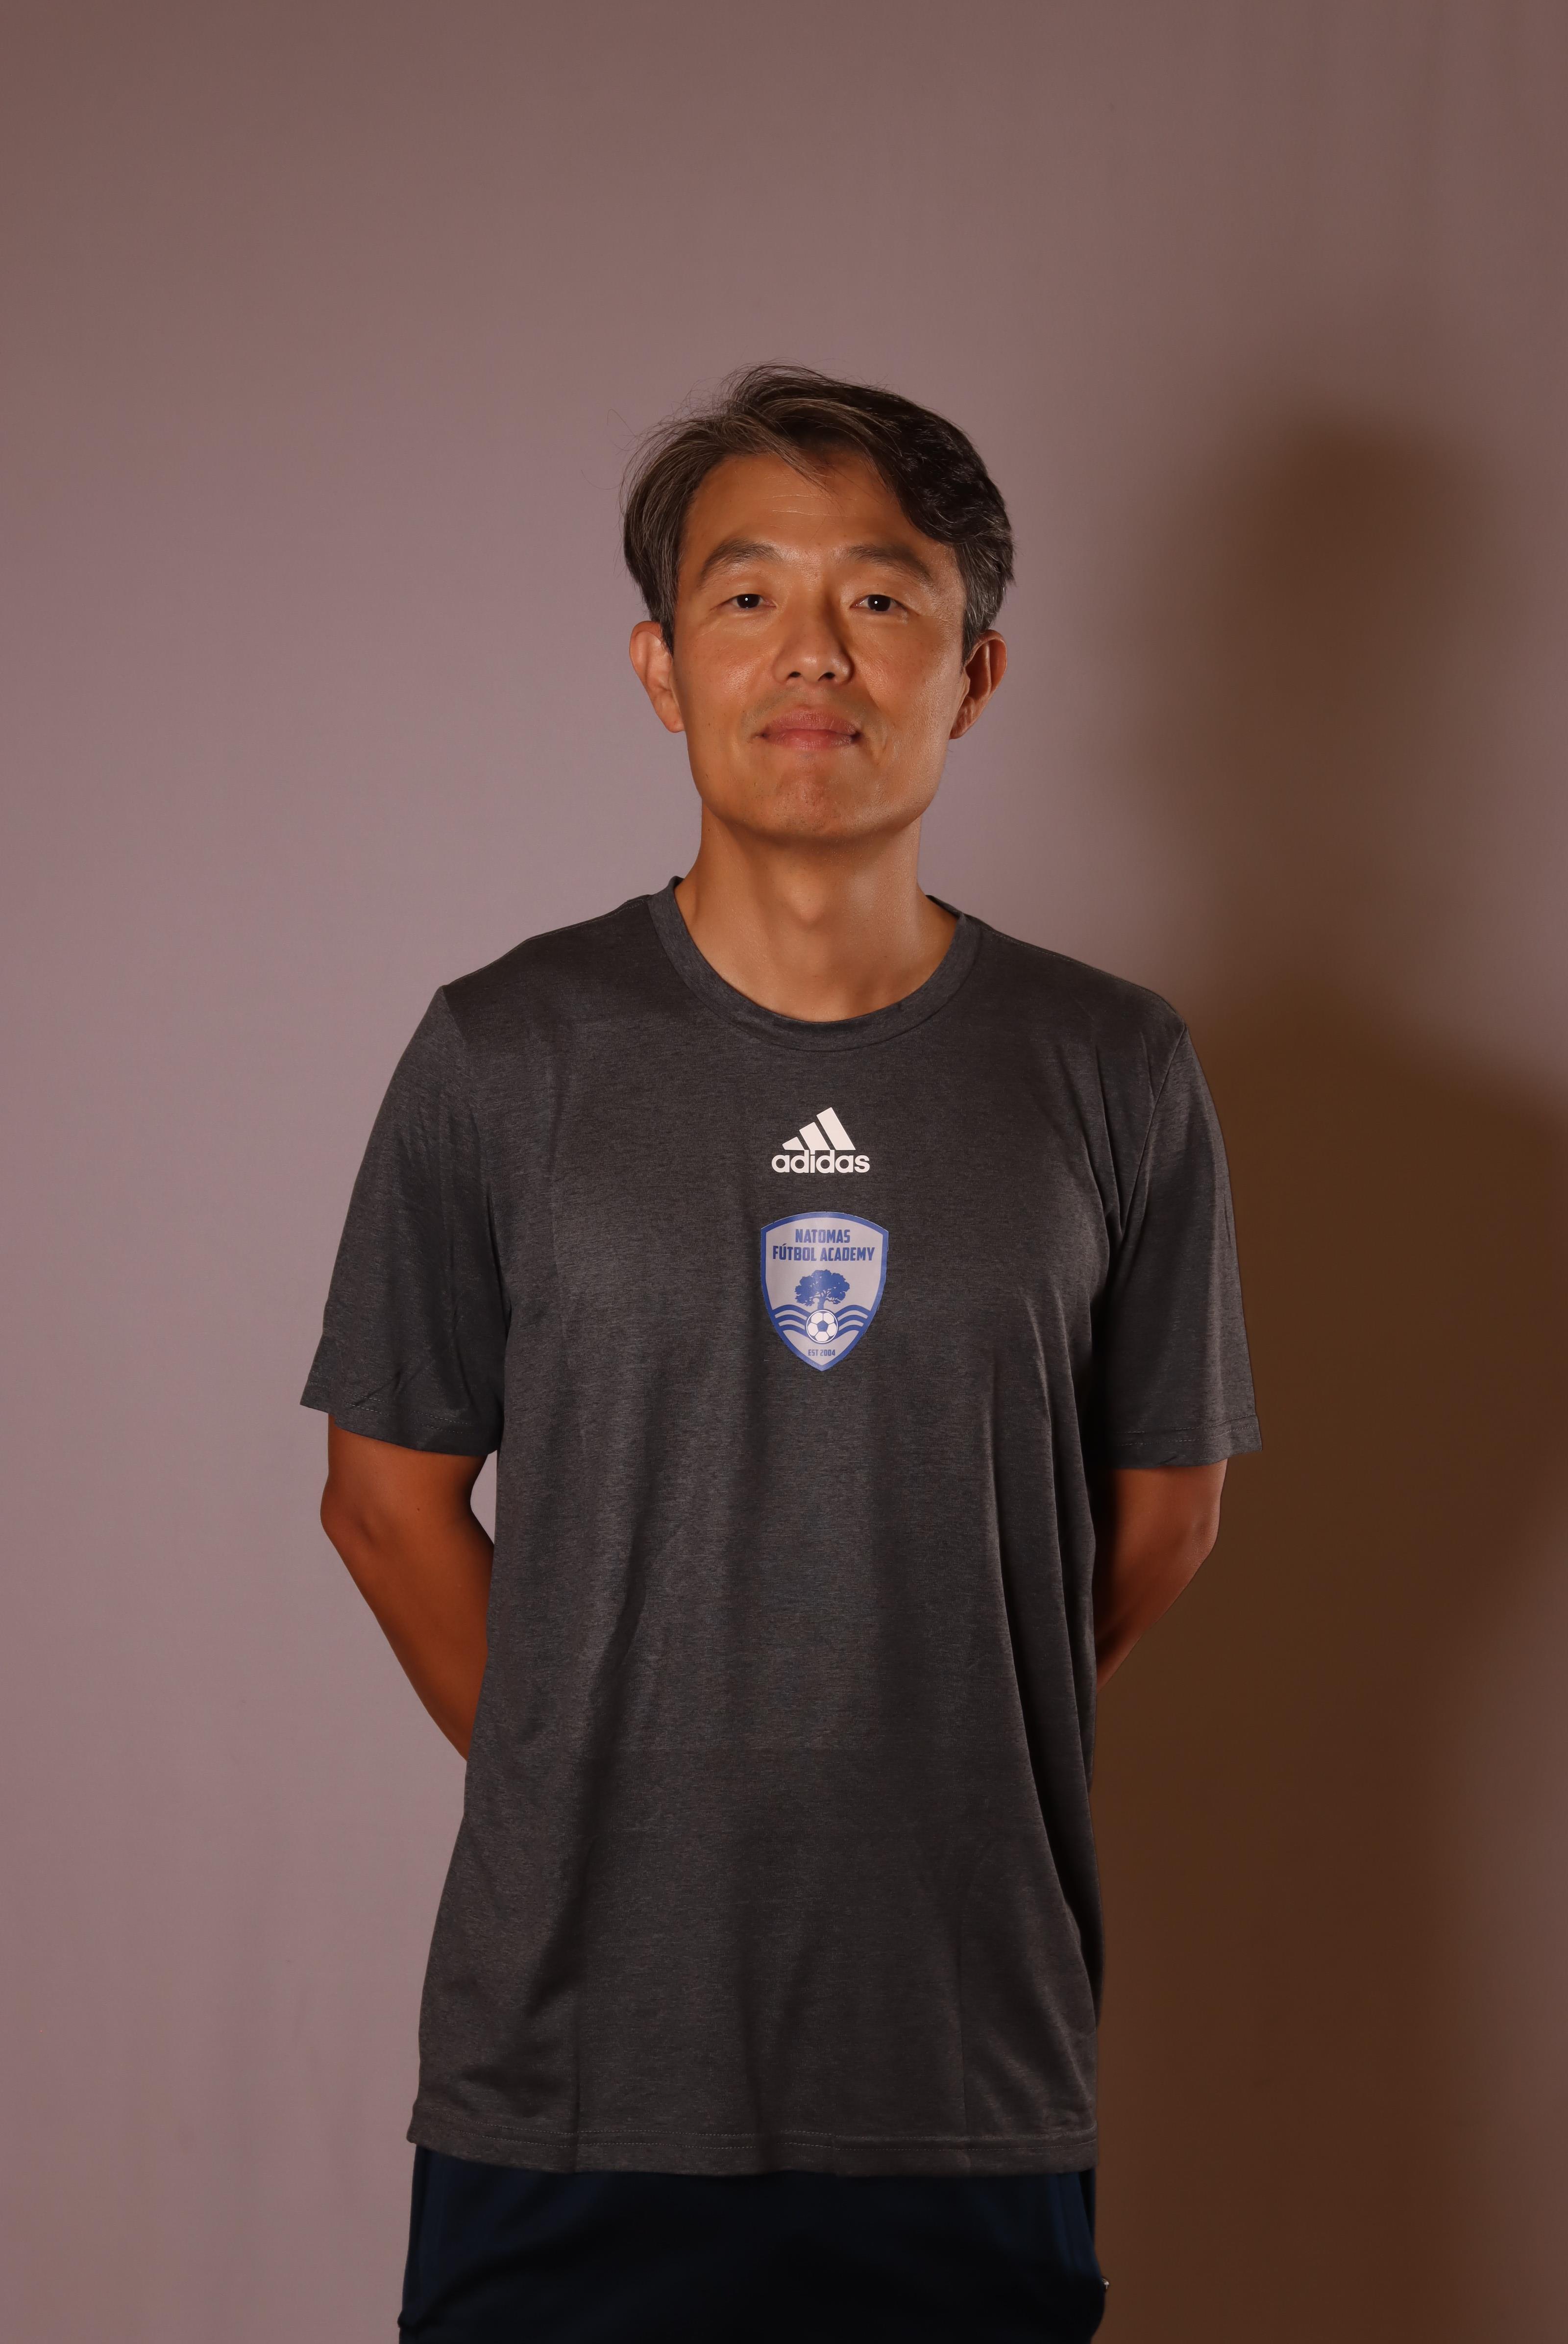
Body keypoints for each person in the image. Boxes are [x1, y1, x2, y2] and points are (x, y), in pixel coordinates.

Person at [304, 366, 1260, 2342]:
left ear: (973, 673)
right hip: (572, 2076)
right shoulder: (503, 1051)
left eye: (880, 597)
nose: (812, 650)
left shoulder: (1111, 1067)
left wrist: (932, 1736)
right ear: (662, 668)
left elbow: (1166, 1511)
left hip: (965, 2071)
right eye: (746, 596)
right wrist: (604, 1787)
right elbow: (385, 1505)